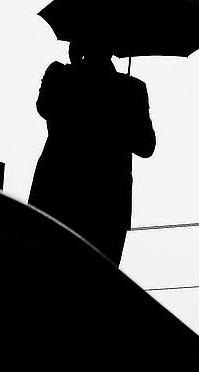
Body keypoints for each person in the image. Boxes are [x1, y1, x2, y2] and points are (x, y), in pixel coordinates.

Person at [28, 41, 156, 265]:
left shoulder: (60, 76)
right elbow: (146, 146)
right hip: (107, 205)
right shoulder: (131, 89)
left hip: (57, 195)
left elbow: (44, 107)